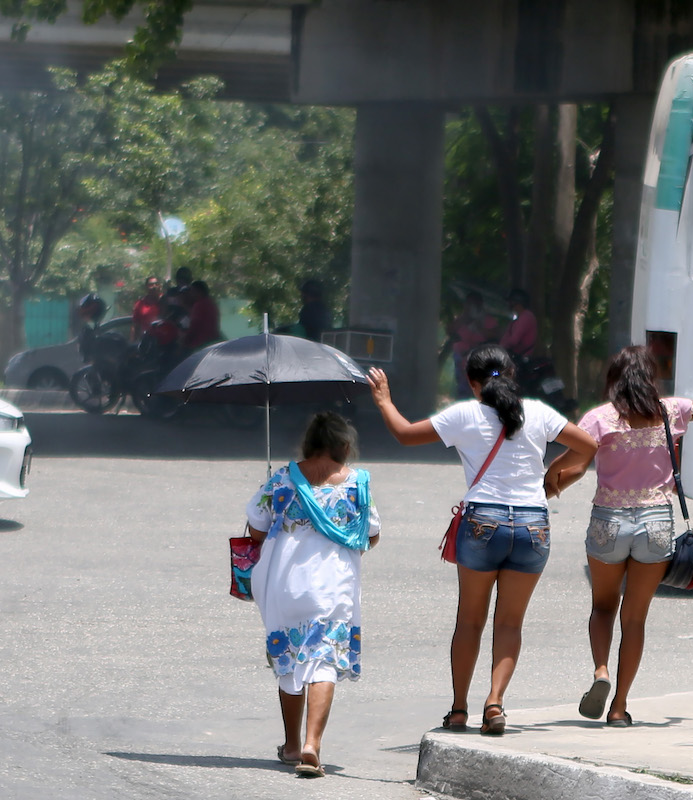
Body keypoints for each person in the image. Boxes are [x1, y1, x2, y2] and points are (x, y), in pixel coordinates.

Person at [366, 344, 596, 735]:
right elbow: (588, 445)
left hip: (483, 521)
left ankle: (458, 709)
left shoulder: (465, 414)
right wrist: (552, 481)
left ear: (472, 382)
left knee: (470, 620)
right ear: (510, 374)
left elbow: (405, 434)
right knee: (510, 623)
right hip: (532, 524)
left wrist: (384, 400)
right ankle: (494, 704)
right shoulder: (538, 412)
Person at [543, 345, 693, 727]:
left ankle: (601, 671)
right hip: (655, 523)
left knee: (603, 607)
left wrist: (548, 484)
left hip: (609, 520)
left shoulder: (599, 419)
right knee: (634, 620)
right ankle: (619, 707)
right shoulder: (671, 411)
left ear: (613, 379)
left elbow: (572, 465)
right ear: (650, 378)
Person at [245, 412, 380, 778]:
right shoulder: (357, 484)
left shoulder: (283, 478)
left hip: (286, 583)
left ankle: (290, 745)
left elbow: (255, 531)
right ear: (345, 446)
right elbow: (370, 535)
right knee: (323, 659)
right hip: (333, 585)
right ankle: (311, 745)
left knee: (289, 659)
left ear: (308, 443)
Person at [450, 292, 498, 398]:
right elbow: (450, 330)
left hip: (480, 359)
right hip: (461, 358)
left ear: (480, 304)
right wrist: (464, 318)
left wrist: (478, 325)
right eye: (468, 304)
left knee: (479, 386)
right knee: (462, 387)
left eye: (474, 304)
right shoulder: (462, 318)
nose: (471, 307)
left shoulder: (488, 320)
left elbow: (494, 335)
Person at [184, 280, 222, 349]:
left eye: (192, 291)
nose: (190, 294)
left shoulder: (199, 305)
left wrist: (185, 340)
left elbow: (194, 326)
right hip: (212, 342)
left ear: (199, 291)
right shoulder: (211, 303)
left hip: (200, 344)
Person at [499, 289, 537, 359]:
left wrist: (502, 345)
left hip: (520, 359)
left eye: (510, 301)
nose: (509, 304)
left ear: (516, 302)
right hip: (514, 357)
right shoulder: (518, 318)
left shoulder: (526, 316)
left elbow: (514, 341)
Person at [131, 276, 162, 341]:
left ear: (160, 286)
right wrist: (133, 343)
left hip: (164, 341)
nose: (154, 287)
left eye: (156, 284)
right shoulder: (140, 305)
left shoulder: (166, 302)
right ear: (146, 287)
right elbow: (135, 326)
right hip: (146, 341)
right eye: (151, 285)